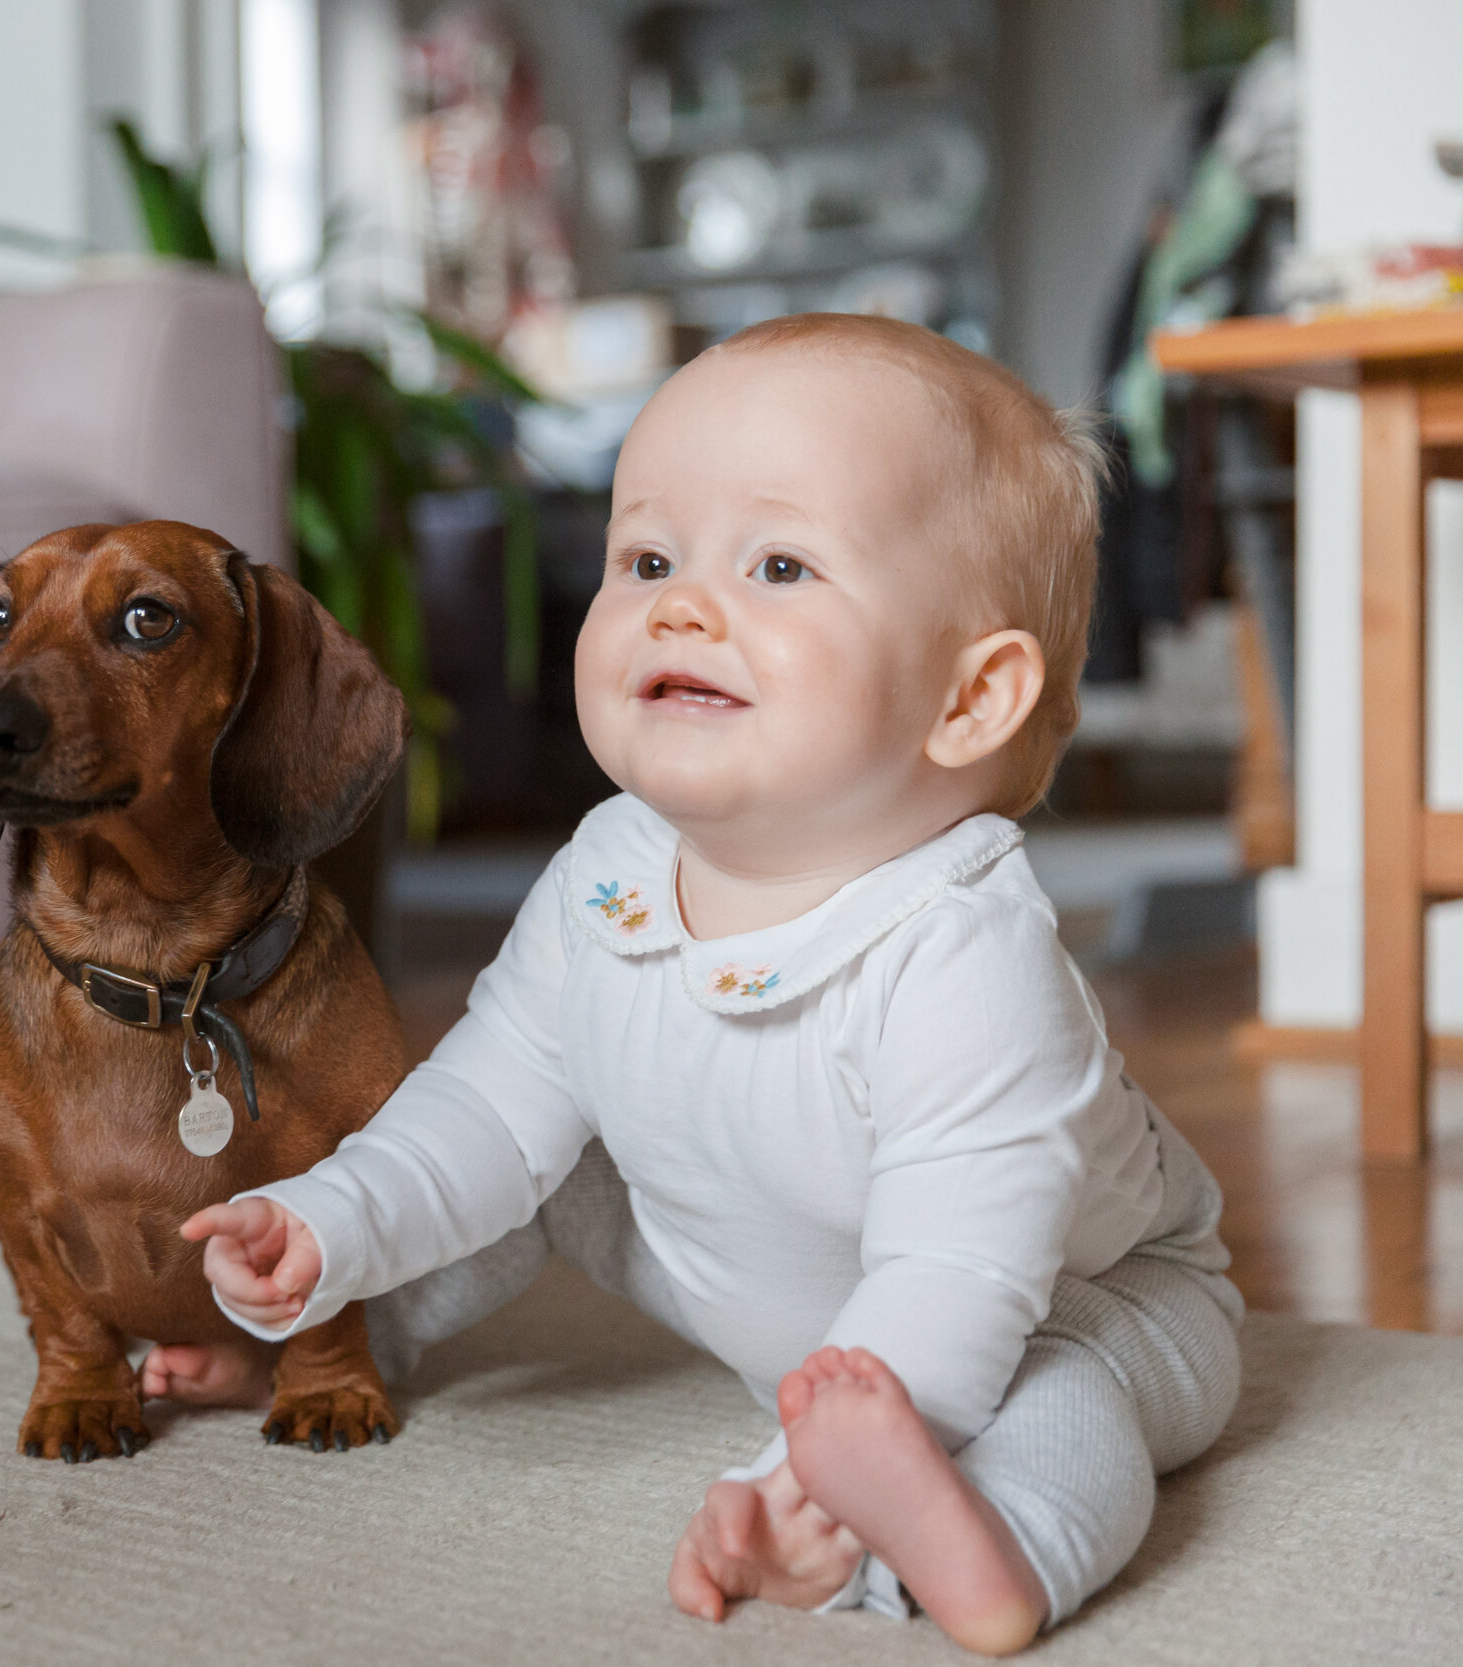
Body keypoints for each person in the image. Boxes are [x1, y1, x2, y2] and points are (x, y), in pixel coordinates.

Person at [141, 313, 1243, 1656]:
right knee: (536, 1169)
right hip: (762, 1260)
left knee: (1068, 1395)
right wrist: (328, 1225)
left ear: (969, 702)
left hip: (1078, 1292)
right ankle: (338, 1348)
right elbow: (484, 1111)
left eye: (779, 564)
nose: (680, 603)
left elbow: (959, 1272)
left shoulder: (967, 952)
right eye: (647, 556)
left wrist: (812, 1479)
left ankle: (988, 1556)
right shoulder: (609, 872)